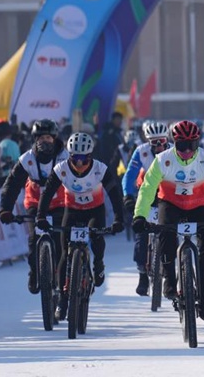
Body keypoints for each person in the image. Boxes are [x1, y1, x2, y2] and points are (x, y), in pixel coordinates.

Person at [131, 120, 204, 321]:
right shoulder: (162, 160)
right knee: (166, 237)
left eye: (192, 145)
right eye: (181, 145)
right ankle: (169, 280)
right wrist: (140, 215)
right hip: (170, 205)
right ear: (173, 143)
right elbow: (147, 189)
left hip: (199, 206)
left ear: (198, 143)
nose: (187, 150)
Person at [36, 132, 125, 320]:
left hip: (95, 211)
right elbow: (47, 194)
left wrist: (118, 218)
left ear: (90, 156)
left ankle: (98, 262)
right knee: (63, 255)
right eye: (75, 157)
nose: (78, 163)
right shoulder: (61, 169)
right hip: (72, 211)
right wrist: (41, 216)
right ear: (69, 156)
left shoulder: (100, 169)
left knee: (96, 236)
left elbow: (115, 195)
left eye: (83, 158)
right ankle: (62, 300)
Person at [0, 120, 68, 295]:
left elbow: (76, 182)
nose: (45, 141)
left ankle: (61, 278)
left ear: (54, 138)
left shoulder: (65, 157)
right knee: (33, 241)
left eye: (48, 137)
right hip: (35, 204)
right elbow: (12, 185)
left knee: (60, 243)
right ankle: (35, 273)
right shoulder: (27, 159)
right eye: (41, 138)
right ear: (35, 139)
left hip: (59, 203)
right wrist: (5, 209)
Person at [122, 121, 172, 296]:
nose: (158, 146)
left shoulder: (174, 151)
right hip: (147, 193)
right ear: (148, 141)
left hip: (168, 195)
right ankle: (142, 273)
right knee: (142, 233)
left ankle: (170, 268)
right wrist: (127, 195)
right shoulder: (141, 152)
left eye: (161, 142)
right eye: (154, 143)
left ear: (167, 140)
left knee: (170, 232)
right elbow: (129, 175)